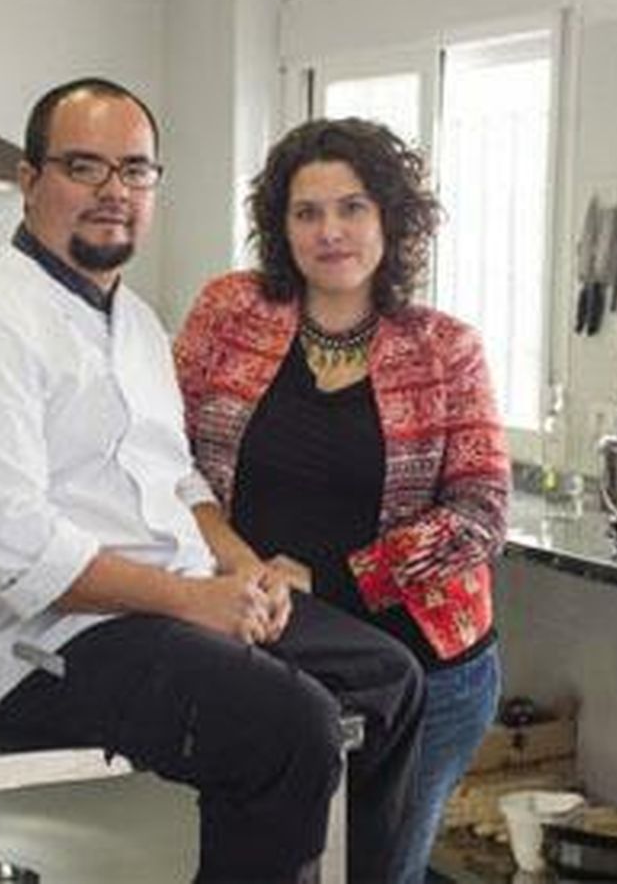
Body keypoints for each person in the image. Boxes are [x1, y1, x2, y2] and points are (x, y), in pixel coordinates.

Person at [0, 78, 425, 884]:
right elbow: (16, 549)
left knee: (391, 680)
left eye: (135, 170)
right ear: (29, 179)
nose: (114, 191)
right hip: (43, 643)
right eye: (85, 166)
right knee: (288, 728)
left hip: (169, 605)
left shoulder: (136, 322)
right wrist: (193, 600)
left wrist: (244, 568)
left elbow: (177, 480)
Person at [174, 117, 510, 884]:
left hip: (428, 668)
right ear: (281, 227)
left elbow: (482, 512)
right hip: (269, 647)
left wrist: (330, 576)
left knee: (373, 873)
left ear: (392, 218)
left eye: (352, 207)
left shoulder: (445, 349)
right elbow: (165, 453)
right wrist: (235, 564)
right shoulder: (229, 313)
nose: (330, 231)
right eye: (307, 211)